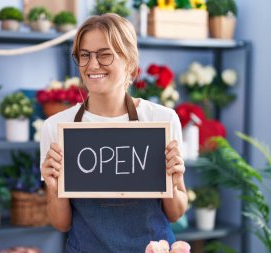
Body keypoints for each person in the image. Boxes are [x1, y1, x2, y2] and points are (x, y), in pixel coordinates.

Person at [40, 13, 187, 253]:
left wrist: (176, 179)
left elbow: (175, 213)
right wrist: (55, 188)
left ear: (129, 62)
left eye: (104, 54)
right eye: (85, 55)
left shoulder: (162, 120)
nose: (92, 64)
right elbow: (61, 223)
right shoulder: (57, 128)